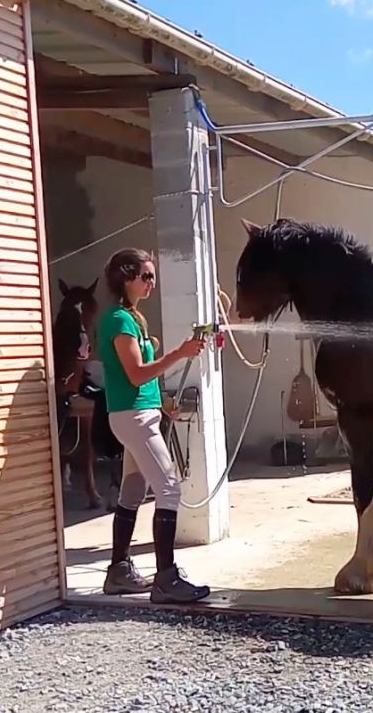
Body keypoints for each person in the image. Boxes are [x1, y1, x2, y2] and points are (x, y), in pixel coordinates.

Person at [96, 247, 211, 603]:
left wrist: (163, 404)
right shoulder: (119, 321)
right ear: (126, 278)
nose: (152, 283)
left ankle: (119, 571)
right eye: (145, 276)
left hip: (140, 414)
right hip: (133, 417)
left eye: (152, 276)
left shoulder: (132, 319)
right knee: (170, 489)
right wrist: (178, 353)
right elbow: (134, 375)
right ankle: (166, 579)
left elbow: (142, 380)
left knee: (131, 494)